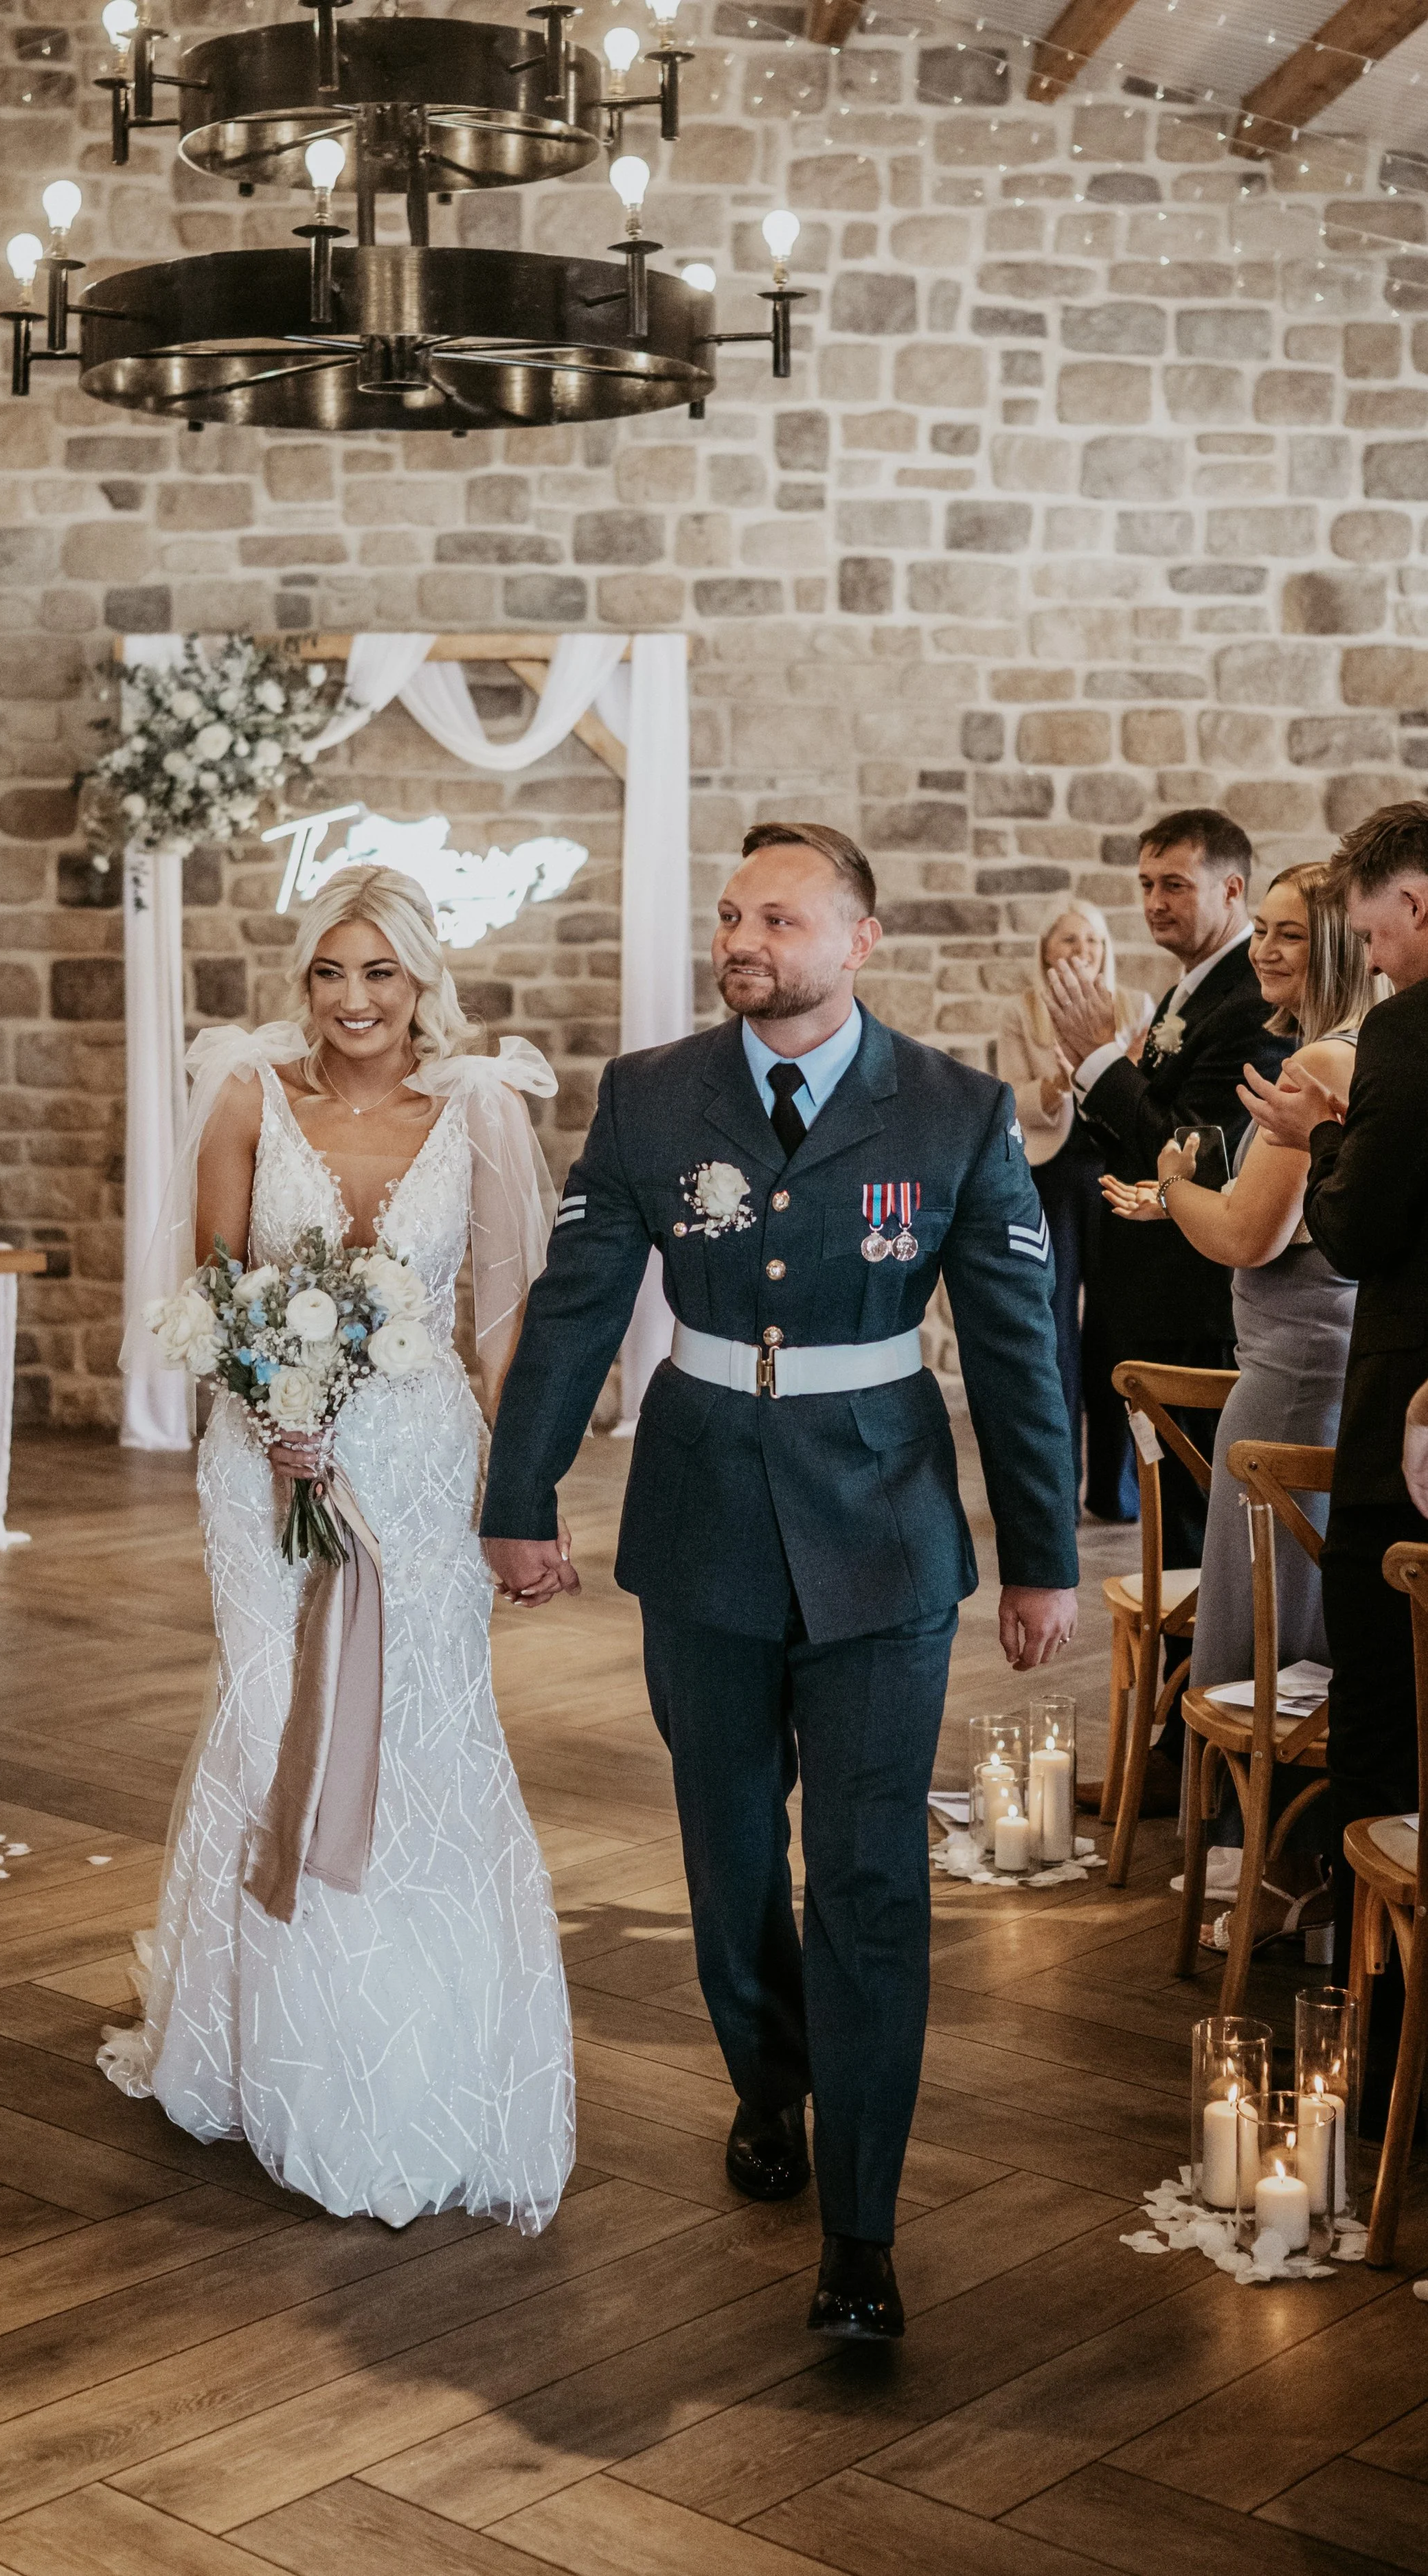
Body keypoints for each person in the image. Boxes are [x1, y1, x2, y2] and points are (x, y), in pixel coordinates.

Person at [481, 822, 1080, 2342]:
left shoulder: (953, 1112)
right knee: (731, 1857)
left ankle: (860, 2234)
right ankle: (769, 2084)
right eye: (732, 913)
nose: (743, 938)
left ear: (858, 942)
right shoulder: (647, 1095)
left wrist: (1039, 1556)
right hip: (701, 1523)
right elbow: (573, 1308)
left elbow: (1016, 1346)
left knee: (869, 1882)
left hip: (881, 1530)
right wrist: (519, 1491)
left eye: (780, 918)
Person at [105, 866, 574, 2234]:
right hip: (265, 1472)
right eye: (329, 972)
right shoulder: (252, 1100)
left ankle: (419, 2047)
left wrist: (522, 1494)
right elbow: (209, 1287)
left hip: (423, 1467)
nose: (354, 1000)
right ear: (300, 981)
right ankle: (268, 2049)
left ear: (421, 980)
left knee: (424, 1723)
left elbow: (496, 1320)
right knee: (273, 1714)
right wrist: (274, 1414)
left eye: (379, 973)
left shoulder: (476, 1115)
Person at [1103, 860, 1376, 1945]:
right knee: (1300, 1622)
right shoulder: (1367, 1049)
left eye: (1291, 937)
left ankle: (1282, 1877)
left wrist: (1176, 1186)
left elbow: (1249, 1236)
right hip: (1318, 1360)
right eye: (1259, 932)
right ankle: (1296, 1870)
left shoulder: (1318, 1057)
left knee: (1272, 1635)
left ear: (1344, 946)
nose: (1265, 951)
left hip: (1291, 1379)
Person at [1045, 808, 1287, 1816]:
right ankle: (1171, 1754)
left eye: (1174, 884)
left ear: (1233, 889)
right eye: (1145, 882)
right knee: (1179, 1542)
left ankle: (1193, 1768)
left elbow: (1189, 1150)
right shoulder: (1196, 991)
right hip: (1149, 1289)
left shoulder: (1244, 1002)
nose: (1152, 903)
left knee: (1196, 1547)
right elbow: (1156, 1154)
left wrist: (1104, 1062)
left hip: (1194, 1306)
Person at [1240, 804, 1428, 2100]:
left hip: (1403, 1434)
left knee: (1384, 1728)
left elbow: (1356, 1234)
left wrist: (1317, 1132)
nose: (1375, 952)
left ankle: (1379, 2029)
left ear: (1414, 906)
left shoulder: (1409, 1033)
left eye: (1373, 929)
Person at [997, 900, 1150, 1522]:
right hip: (1051, 1175)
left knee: (1115, 1326)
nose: (1081, 949)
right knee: (1053, 1328)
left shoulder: (1137, 1007)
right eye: (1068, 939)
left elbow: (1139, 1094)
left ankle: (1116, 1491)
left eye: (1092, 939)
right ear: (1047, 949)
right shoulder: (1021, 1012)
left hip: (1117, 1175)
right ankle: (1056, 1489)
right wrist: (1059, 1084)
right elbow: (1012, 1099)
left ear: (1105, 948)